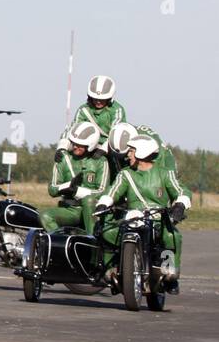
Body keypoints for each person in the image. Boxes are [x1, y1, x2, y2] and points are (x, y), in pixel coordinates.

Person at [95, 133, 189, 291]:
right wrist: (104, 203)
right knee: (107, 232)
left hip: (157, 218)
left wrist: (180, 205)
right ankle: (111, 270)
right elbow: (113, 191)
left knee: (172, 236)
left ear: (141, 152)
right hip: (132, 217)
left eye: (131, 151)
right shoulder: (125, 174)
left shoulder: (165, 173)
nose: (128, 155)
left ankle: (170, 273)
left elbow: (181, 190)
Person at [42, 121, 109, 234]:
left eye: (80, 145)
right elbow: (52, 189)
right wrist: (68, 187)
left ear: (91, 144)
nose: (76, 147)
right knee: (45, 216)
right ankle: (61, 244)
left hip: (91, 210)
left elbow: (103, 191)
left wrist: (78, 191)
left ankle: (92, 244)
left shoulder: (101, 162)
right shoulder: (63, 159)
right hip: (71, 210)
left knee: (88, 200)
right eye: (74, 143)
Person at [63, 75, 125, 152]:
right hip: (86, 145)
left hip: (109, 147)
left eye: (102, 99)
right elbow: (73, 128)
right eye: (95, 98)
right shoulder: (84, 109)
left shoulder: (117, 110)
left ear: (109, 98)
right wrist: (62, 147)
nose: (98, 101)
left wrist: (103, 149)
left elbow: (116, 134)